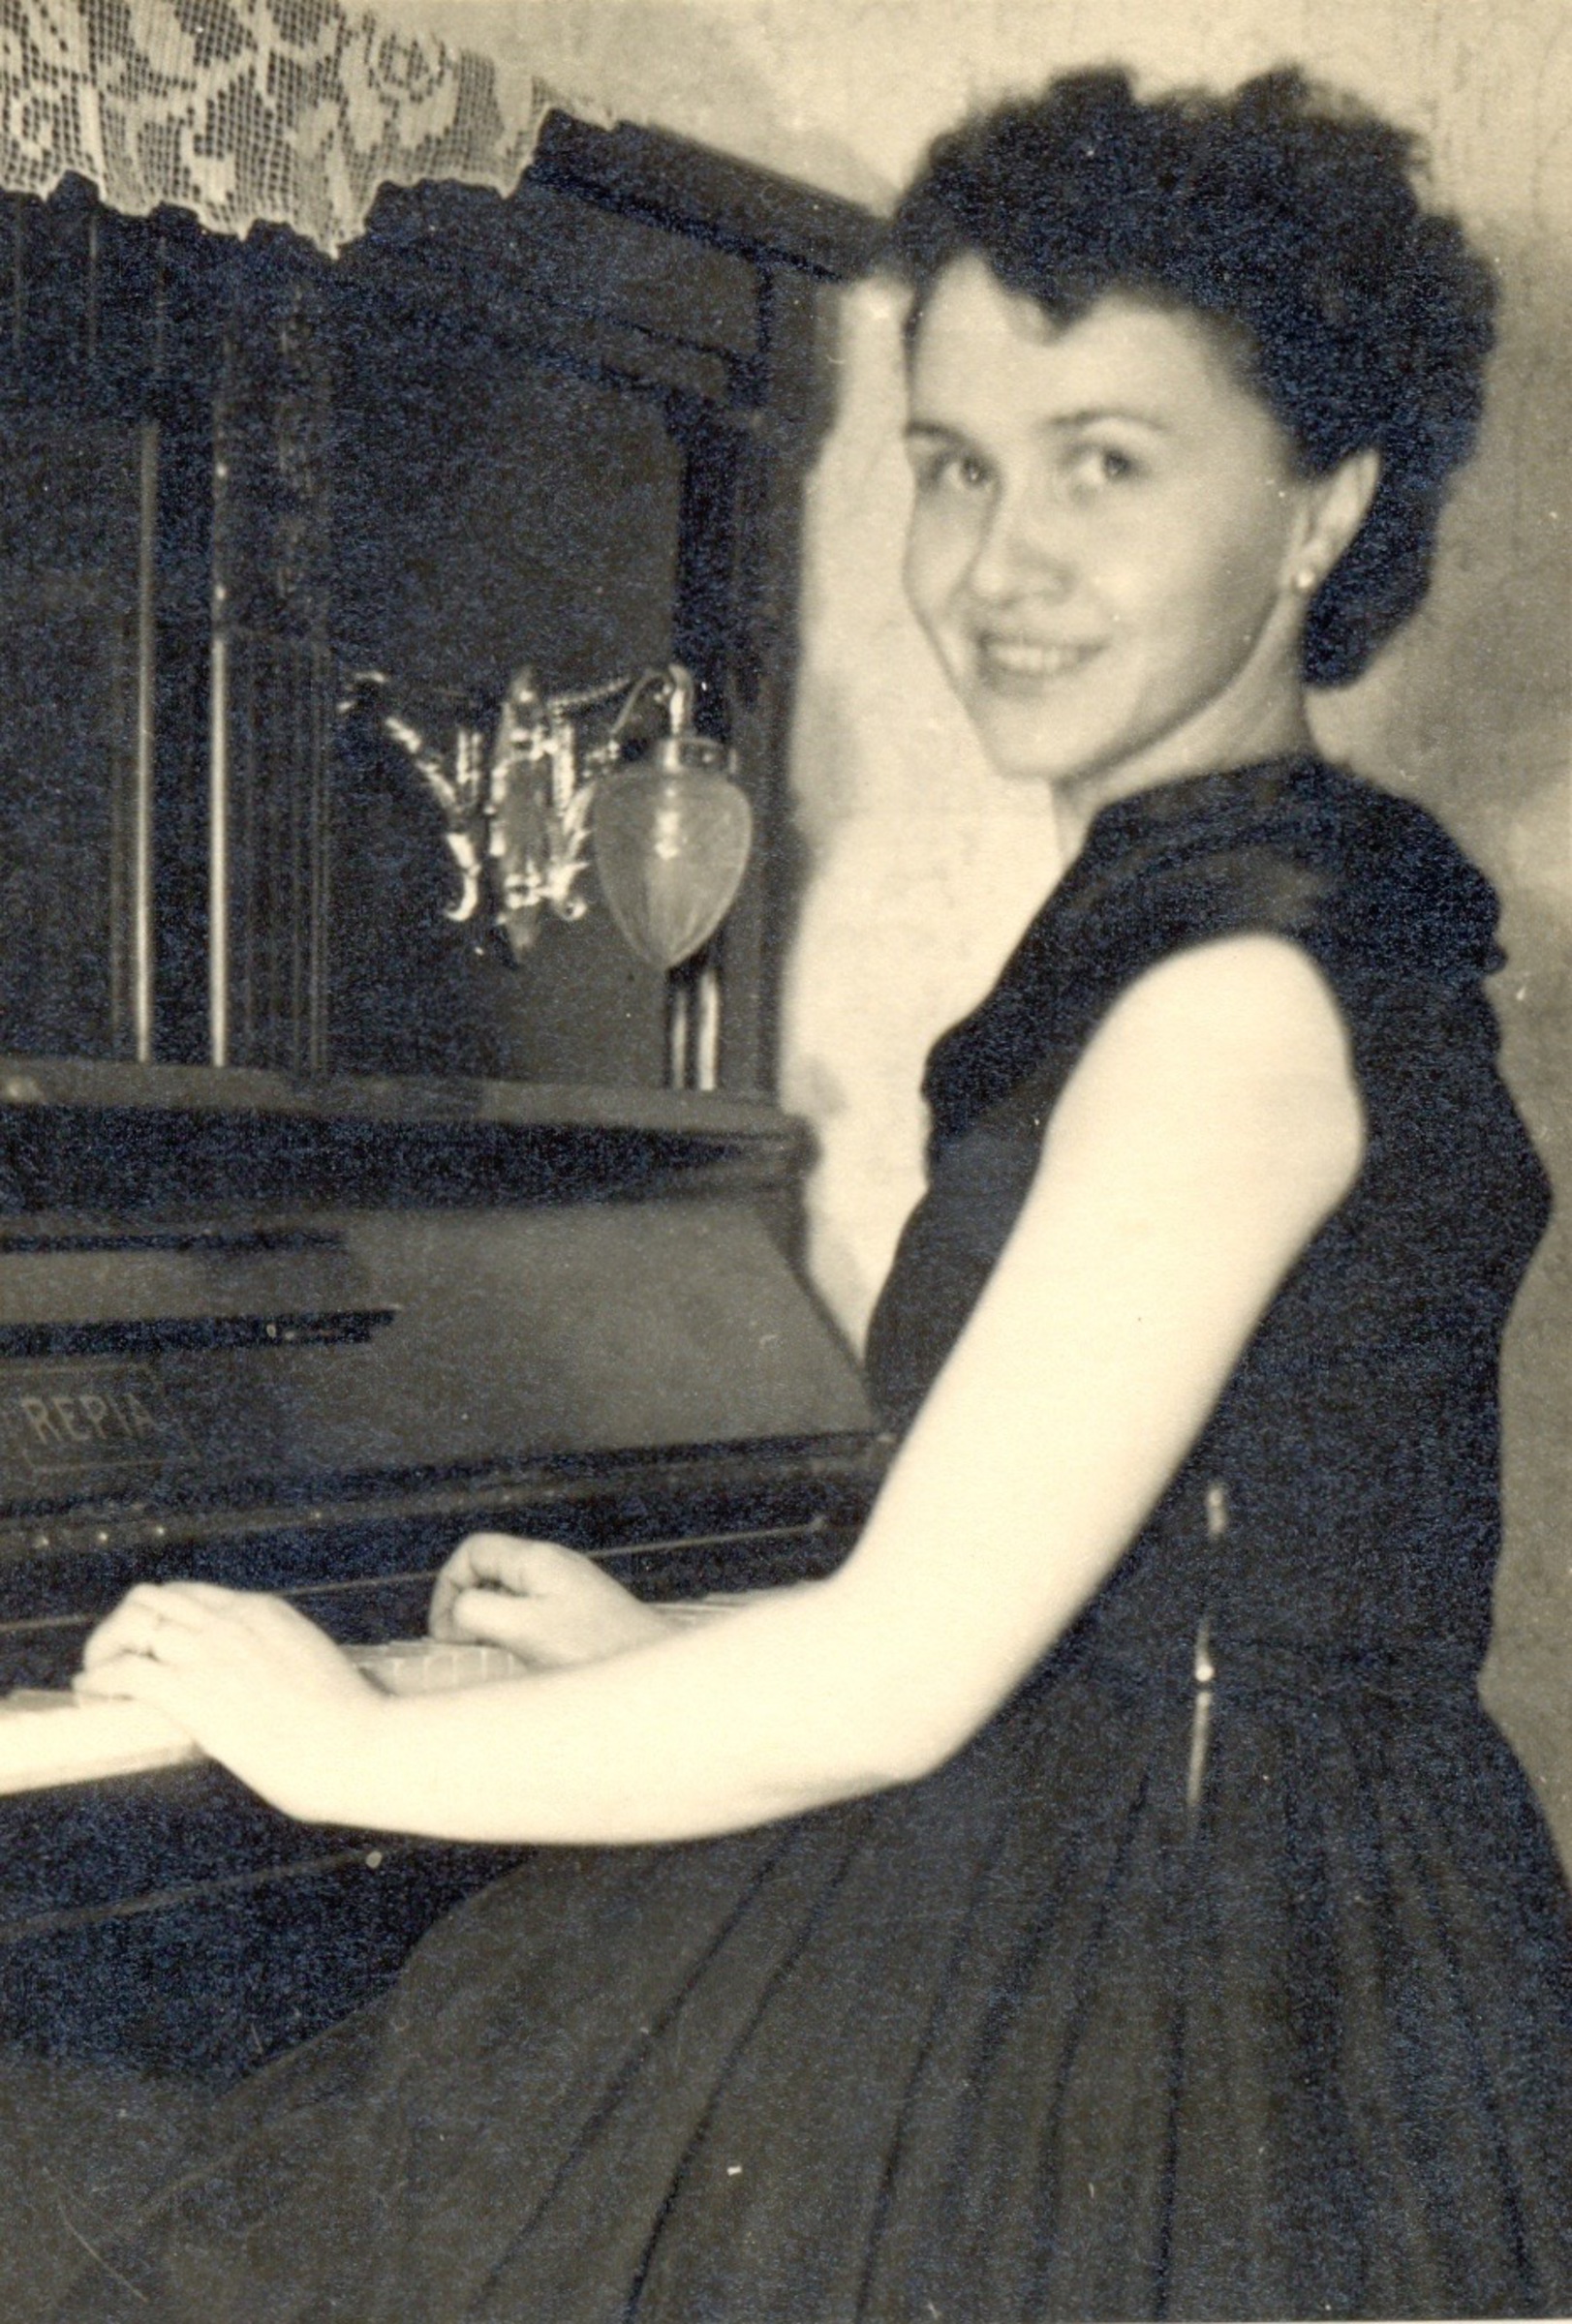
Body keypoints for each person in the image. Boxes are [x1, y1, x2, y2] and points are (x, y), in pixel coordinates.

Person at [16, 62, 1572, 2321]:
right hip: (1200, 1872)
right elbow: (1106, 1584)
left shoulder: (1233, 1003)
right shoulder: (1261, 922)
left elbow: (901, 1684)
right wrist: (671, 1651)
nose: (993, 564)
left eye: (1104, 465)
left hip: (1170, 1993)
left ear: (1320, 507)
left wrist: (344, 1739)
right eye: (950, 466)